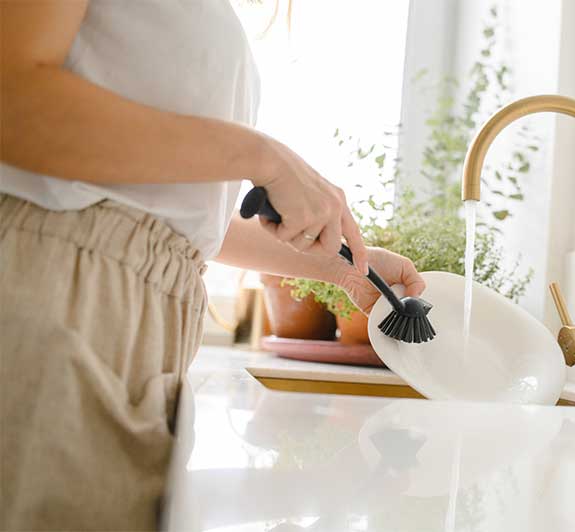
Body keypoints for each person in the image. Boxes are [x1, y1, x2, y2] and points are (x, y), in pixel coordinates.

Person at [0, 1, 425, 530]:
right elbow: (11, 98)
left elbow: (182, 217)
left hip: (133, 329)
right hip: (60, 302)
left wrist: (346, 271)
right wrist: (261, 156)